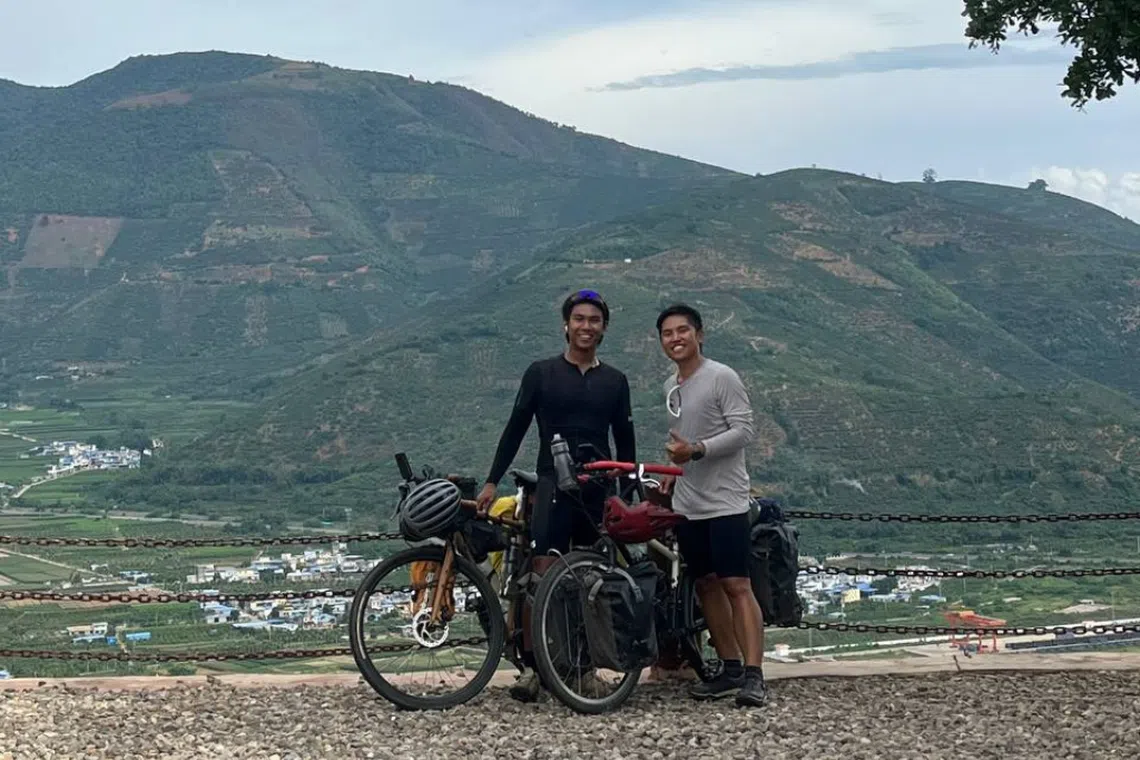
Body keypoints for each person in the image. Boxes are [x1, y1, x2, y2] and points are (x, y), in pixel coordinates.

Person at [475, 288, 636, 701]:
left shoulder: (615, 382)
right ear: (566, 325)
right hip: (552, 485)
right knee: (541, 577)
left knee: (590, 582)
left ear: (604, 328)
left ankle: (580, 670)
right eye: (579, 319)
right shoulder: (541, 373)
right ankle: (533, 668)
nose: (586, 326)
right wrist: (492, 481)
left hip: (597, 489)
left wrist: (629, 495)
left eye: (594, 320)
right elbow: (515, 429)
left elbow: (626, 443)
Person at [654, 303, 768, 708]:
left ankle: (754, 676)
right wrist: (673, 466)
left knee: (737, 585)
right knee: (705, 585)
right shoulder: (671, 385)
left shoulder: (722, 377)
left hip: (726, 501)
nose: (676, 338)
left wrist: (698, 450)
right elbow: (683, 440)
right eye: (668, 333)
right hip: (688, 503)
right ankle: (729, 668)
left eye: (683, 330)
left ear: (699, 334)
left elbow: (744, 430)